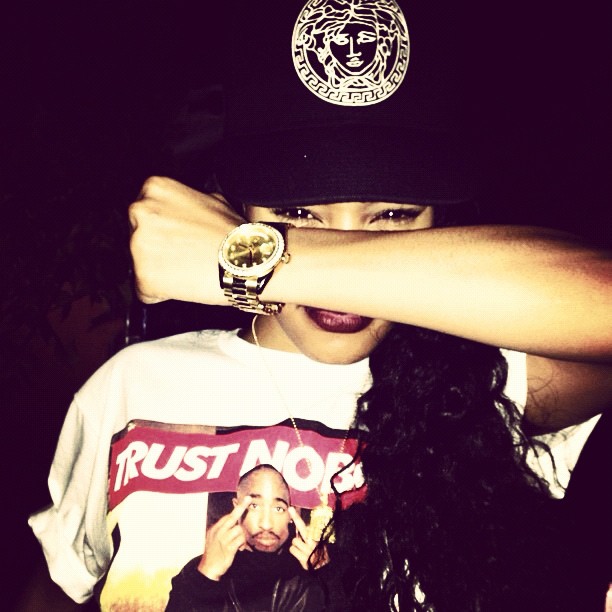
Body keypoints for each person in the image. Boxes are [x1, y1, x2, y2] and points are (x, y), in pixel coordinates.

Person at [30, 1, 611, 610]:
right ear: (234, 207)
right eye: (297, 213)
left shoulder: (473, 386)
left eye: (392, 215)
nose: (340, 262)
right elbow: (61, 585)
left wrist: (266, 261)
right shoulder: (133, 384)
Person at [166, 464, 327, 611]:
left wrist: (327, 575)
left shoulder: (311, 573)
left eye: (278, 508)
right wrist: (206, 577)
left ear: (292, 514)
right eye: (254, 506)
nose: (266, 524)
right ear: (237, 507)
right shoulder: (197, 571)